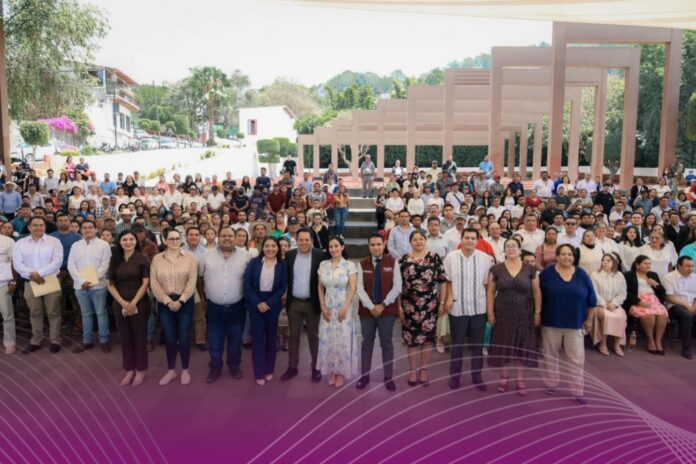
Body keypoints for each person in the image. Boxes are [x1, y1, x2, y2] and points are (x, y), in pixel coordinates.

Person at [539, 244, 596, 405]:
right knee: (550, 356)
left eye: (570, 254)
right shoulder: (546, 274)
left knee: (576, 359)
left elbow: (592, 299)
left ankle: (577, 390)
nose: (567, 257)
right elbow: (537, 295)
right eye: (563, 254)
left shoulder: (582, 274)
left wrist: (589, 319)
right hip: (551, 321)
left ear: (574, 257)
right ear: (556, 257)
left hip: (575, 323)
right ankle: (551, 383)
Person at [486, 238, 541, 395]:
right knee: (504, 345)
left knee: (521, 346)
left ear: (520, 250)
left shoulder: (530, 269)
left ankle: (520, 380)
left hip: (524, 313)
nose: (510, 248)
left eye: (514, 246)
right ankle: (503, 378)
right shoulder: (496, 269)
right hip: (502, 314)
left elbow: (536, 291)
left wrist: (537, 312)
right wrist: (490, 313)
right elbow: (490, 291)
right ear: (504, 251)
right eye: (507, 246)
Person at [198, 226, 251, 383]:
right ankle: (215, 367)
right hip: (214, 306)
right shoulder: (206, 256)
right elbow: (200, 279)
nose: (226, 238)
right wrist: (203, 299)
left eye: (230, 236)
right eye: (223, 236)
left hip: (237, 306)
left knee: (235, 339)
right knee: (214, 339)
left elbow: (250, 280)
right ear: (218, 237)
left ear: (235, 238)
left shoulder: (246, 256)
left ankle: (234, 366)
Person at [443, 228, 492, 391]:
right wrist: (449, 297)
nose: (470, 240)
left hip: (479, 308)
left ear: (477, 240)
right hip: (458, 308)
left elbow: (487, 285)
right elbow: (447, 280)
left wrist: (489, 309)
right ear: (461, 239)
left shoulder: (485, 259)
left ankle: (477, 377)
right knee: (457, 345)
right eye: (467, 237)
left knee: (477, 346)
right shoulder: (451, 257)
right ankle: (454, 377)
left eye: (473, 238)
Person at [150, 228, 198, 386]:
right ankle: (171, 370)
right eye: (171, 239)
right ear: (165, 240)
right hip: (165, 302)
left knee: (184, 337)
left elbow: (192, 282)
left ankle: (185, 370)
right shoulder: (157, 259)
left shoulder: (190, 258)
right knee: (170, 338)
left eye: (177, 238)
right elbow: (154, 283)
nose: (175, 241)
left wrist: (181, 301)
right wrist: (167, 301)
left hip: (185, 301)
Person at [399, 229, 446, 387]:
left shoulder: (434, 257)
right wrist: (399, 306)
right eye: (415, 239)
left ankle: (424, 369)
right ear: (410, 242)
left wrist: (442, 302)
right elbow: (397, 285)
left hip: (430, 306)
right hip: (409, 306)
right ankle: (413, 370)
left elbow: (443, 281)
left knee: (427, 339)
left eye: (421, 239)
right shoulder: (403, 260)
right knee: (411, 340)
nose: (418, 241)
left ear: (425, 240)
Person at [355, 233, 402, 391]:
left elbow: (397, 287)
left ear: (384, 245)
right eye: (372, 244)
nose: (376, 247)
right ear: (369, 246)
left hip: (387, 311)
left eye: (379, 244)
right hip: (367, 312)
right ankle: (364, 376)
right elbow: (359, 289)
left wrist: (382, 305)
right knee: (366, 343)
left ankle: (388, 376)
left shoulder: (393, 262)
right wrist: (371, 307)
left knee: (387, 343)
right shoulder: (362, 264)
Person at [107, 230, 151, 387]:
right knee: (125, 337)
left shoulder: (143, 258)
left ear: (136, 241)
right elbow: (110, 283)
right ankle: (129, 369)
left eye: (131, 239)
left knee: (139, 337)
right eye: (124, 239)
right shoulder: (114, 258)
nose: (128, 242)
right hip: (120, 302)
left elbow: (146, 283)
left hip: (140, 302)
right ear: (119, 242)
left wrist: (133, 302)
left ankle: (140, 370)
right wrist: (122, 302)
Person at [281, 228, 325, 383]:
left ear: (312, 240)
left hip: (312, 303)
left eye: (307, 239)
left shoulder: (320, 255)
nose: (304, 242)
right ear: (296, 240)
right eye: (301, 240)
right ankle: (292, 367)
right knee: (293, 337)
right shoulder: (290, 255)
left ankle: (316, 368)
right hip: (294, 303)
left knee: (314, 337)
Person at [13, 217, 63, 354]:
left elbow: (57, 262)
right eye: (35, 225)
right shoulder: (20, 243)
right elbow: (17, 264)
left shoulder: (54, 241)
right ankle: (36, 341)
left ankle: (55, 340)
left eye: (41, 225)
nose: (38, 227)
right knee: (35, 312)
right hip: (30, 282)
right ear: (29, 227)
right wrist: (32, 275)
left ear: (45, 227)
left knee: (53, 312)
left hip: (50, 280)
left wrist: (39, 273)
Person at [243, 237, 288, 385]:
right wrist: (258, 303)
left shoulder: (282, 265)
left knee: (271, 339)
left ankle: (269, 369)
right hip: (255, 304)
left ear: (278, 248)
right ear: (262, 248)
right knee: (257, 340)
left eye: (273, 246)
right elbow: (247, 284)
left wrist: (268, 303)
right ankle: (259, 372)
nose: (270, 249)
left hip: (272, 305)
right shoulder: (254, 263)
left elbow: (282, 288)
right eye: (267, 246)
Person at [316, 236, 358, 388]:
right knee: (328, 339)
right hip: (328, 308)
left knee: (343, 340)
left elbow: (352, 288)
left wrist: (345, 307)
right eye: (331, 247)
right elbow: (320, 287)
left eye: (336, 246)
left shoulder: (349, 265)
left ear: (342, 247)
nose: (333, 249)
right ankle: (332, 370)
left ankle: (341, 372)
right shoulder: (323, 265)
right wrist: (322, 306)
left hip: (343, 308)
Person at [68, 220, 112, 353]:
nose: (87, 230)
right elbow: (71, 265)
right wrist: (81, 281)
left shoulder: (104, 245)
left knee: (101, 313)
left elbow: (105, 265)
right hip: (80, 286)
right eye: (85, 228)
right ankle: (87, 341)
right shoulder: (75, 245)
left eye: (90, 227)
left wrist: (92, 280)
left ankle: (104, 340)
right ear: (81, 230)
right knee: (85, 314)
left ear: (95, 229)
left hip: (98, 286)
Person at [623, 255, 668, 355]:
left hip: (654, 300)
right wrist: (638, 301)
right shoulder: (628, 275)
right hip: (637, 301)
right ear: (637, 265)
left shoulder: (653, 275)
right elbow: (626, 292)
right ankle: (650, 340)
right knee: (649, 316)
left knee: (662, 316)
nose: (648, 266)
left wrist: (656, 284)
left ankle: (658, 341)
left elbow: (663, 292)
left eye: (649, 264)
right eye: (645, 263)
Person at [590, 253, 628, 357]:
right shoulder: (595, 274)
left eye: (608, 260)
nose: (605, 262)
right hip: (599, 304)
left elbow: (622, 293)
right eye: (603, 260)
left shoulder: (619, 275)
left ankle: (617, 345)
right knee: (607, 316)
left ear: (614, 263)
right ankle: (603, 344)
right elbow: (594, 292)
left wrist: (614, 303)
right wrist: (604, 304)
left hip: (614, 304)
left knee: (621, 316)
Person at [663, 256, 696, 359]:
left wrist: (694, 306)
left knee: (688, 314)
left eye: (692, 266)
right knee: (686, 315)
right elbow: (668, 297)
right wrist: (687, 306)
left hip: (692, 304)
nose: (691, 269)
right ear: (679, 266)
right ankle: (686, 349)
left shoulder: (694, 277)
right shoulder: (669, 277)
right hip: (675, 305)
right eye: (687, 266)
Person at [0, 230, 16, 354]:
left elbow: (14, 262)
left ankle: (9, 342)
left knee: (7, 315)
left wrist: (13, 281)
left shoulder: (8, 241)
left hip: (3, 282)